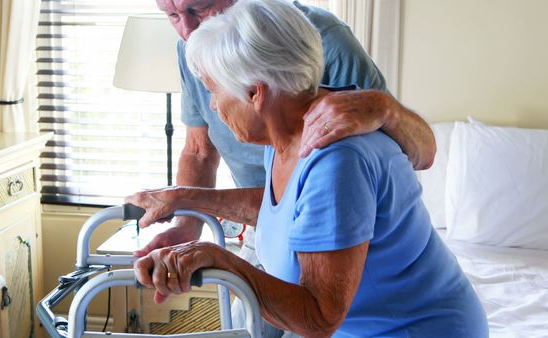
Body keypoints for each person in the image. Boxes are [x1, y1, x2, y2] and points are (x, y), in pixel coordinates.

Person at [133, 0, 489, 336]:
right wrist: (183, 201)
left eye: (214, 91)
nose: (211, 106)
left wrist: (218, 259)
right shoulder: (285, 134)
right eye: (172, 14)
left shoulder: (335, 156)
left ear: (256, 94)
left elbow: (318, 318)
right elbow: (285, 210)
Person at [136, 0, 435, 260]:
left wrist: (385, 108)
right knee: (245, 321)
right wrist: (187, 225)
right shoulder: (193, 48)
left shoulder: (319, 37)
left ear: (257, 92)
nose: (187, 29)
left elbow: (419, 155)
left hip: (347, 228)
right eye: (172, 16)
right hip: (263, 220)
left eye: (197, 8)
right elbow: (199, 151)